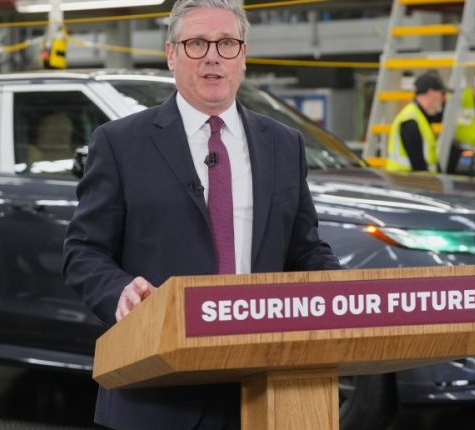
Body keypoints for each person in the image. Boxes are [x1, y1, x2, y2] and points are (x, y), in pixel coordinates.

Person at [62, 0, 341, 429]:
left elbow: (305, 249)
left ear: (243, 55)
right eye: (196, 43)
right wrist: (120, 293)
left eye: (227, 43)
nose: (213, 55)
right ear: (171, 54)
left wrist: (343, 295)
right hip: (156, 396)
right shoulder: (120, 144)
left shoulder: (284, 144)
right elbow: (83, 251)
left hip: (264, 392)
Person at [386, 71, 449, 173]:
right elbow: (418, 165)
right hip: (407, 183)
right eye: (442, 94)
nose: (443, 100)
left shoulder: (420, 116)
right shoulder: (411, 121)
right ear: (431, 93)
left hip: (410, 183)